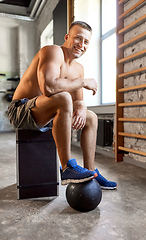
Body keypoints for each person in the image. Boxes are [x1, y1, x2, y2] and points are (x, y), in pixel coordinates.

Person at [7, 21, 117, 190]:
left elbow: (79, 102)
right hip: (21, 110)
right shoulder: (52, 51)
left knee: (91, 118)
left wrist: (82, 108)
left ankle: (91, 171)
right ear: (67, 38)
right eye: (78, 38)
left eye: (86, 41)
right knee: (64, 97)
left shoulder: (78, 68)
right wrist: (82, 82)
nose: (81, 45)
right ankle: (67, 168)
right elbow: (49, 88)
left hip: (46, 112)